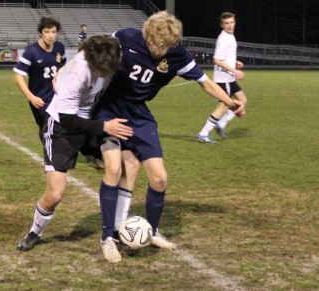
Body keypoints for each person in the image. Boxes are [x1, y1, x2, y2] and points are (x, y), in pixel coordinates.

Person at [96, 11, 245, 263]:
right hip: (108, 109)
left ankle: (152, 232)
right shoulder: (125, 37)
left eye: (165, 46)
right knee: (114, 169)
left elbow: (205, 83)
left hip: (140, 115)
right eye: (155, 44)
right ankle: (107, 237)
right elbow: (91, 52)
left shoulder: (178, 55)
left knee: (159, 177)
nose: (158, 51)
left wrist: (230, 102)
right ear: (147, 35)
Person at [17, 35, 134, 252]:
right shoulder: (78, 72)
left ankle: (115, 229)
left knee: (127, 164)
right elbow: (68, 119)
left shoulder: (111, 50)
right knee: (55, 194)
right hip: (63, 127)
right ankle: (35, 232)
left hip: (94, 119)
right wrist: (105, 127)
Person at [197, 12, 248, 143]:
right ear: (222, 25)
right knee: (222, 107)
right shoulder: (223, 38)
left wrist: (235, 63)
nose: (230, 25)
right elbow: (217, 60)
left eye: (231, 22)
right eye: (226, 23)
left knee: (242, 100)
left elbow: (226, 57)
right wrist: (235, 71)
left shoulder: (231, 36)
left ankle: (221, 124)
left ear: (235, 22)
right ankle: (204, 133)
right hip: (223, 79)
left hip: (229, 78)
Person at [13, 16, 66, 143]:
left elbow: (63, 65)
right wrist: (31, 97)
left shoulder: (59, 47)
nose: (50, 35)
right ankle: (50, 155)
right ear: (40, 33)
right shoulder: (31, 52)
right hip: (40, 99)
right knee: (45, 128)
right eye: (47, 32)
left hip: (58, 96)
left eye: (53, 32)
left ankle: (54, 156)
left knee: (59, 129)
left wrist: (60, 72)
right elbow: (18, 76)